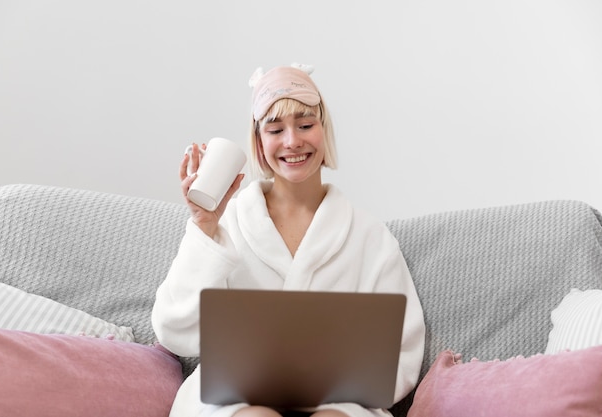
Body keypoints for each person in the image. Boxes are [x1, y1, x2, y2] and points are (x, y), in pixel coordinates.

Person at [151, 64, 425, 417]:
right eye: (276, 129)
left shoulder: (369, 236)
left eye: (305, 125)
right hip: (235, 401)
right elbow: (174, 329)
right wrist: (204, 224)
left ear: (323, 131)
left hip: (338, 403)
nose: (292, 141)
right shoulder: (228, 224)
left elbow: (400, 352)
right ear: (259, 143)